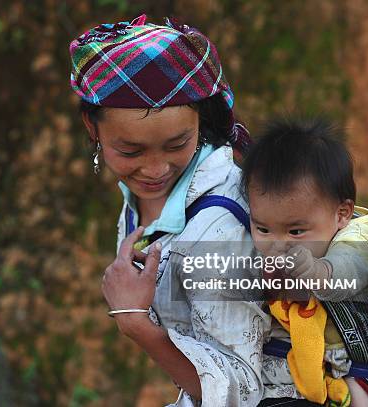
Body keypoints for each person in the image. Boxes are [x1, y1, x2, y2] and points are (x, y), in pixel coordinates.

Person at [69, 14, 277, 406]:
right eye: (130, 151)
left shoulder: (217, 229)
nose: (154, 170)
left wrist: (135, 323)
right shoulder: (145, 203)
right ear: (92, 127)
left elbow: (244, 392)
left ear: (201, 121)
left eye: (177, 144)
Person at [241, 117, 368, 406]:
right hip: (314, 370)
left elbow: (349, 269)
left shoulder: (359, 240)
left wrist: (317, 271)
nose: (277, 242)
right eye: (263, 228)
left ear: (342, 214)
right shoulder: (269, 246)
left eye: (296, 231)